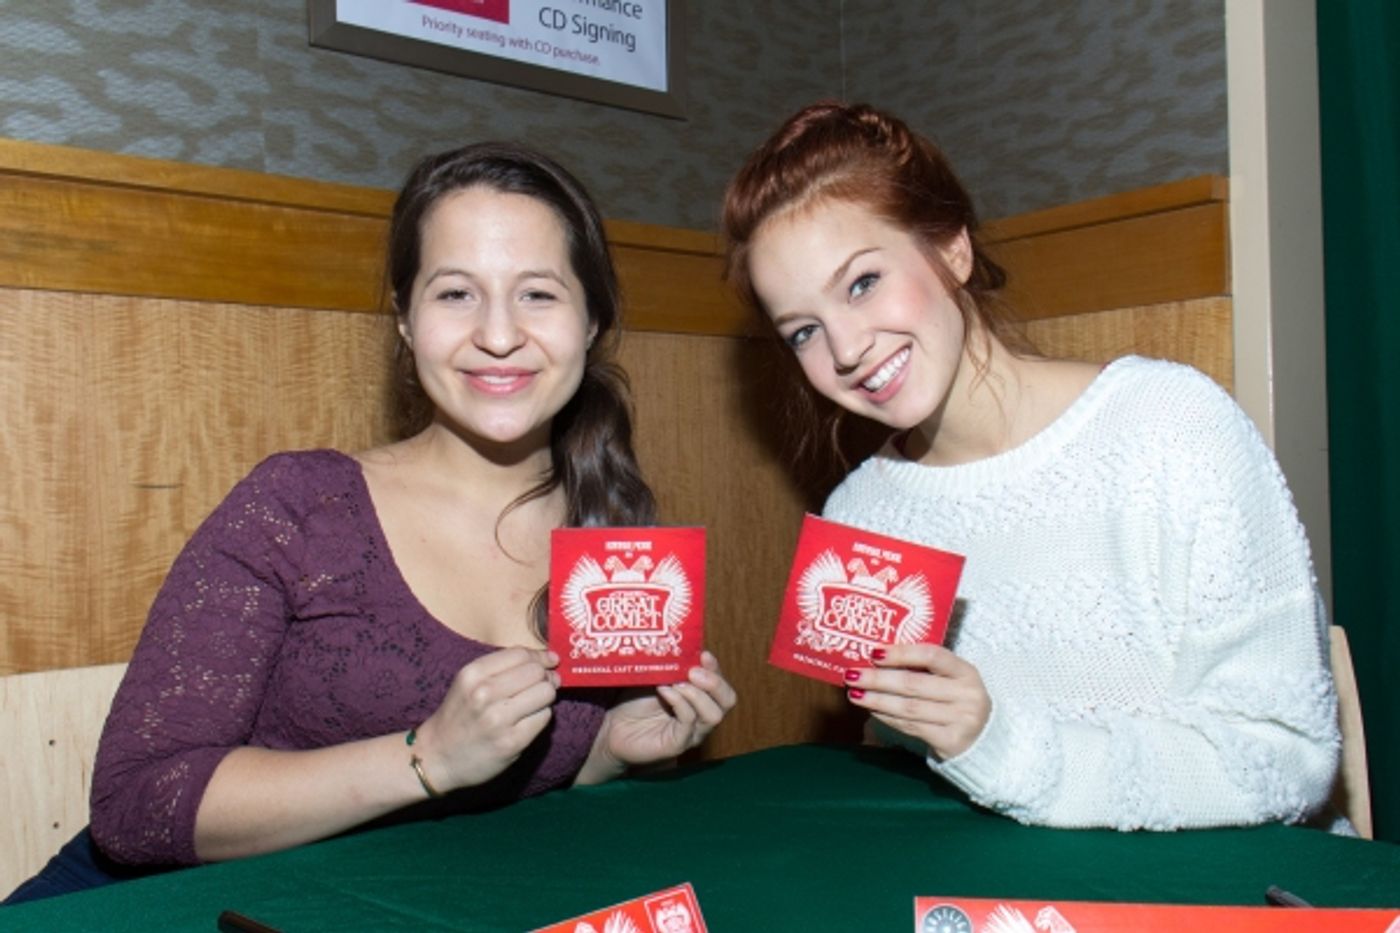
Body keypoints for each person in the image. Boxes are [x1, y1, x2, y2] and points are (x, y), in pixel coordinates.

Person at [5, 142, 735, 904]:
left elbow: (496, 802)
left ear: (591, 322)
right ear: (406, 319)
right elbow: (134, 806)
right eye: (456, 293)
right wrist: (428, 757)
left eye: (539, 295)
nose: (497, 334)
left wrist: (609, 753)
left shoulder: (614, 546)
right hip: (160, 908)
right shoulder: (299, 505)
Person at [721, 101, 1339, 831]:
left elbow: (1288, 759)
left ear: (952, 249)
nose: (847, 348)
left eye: (861, 283)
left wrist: (1002, 744)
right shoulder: (861, 518)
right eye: (803, 331)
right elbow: (901, 779)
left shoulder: (1170, 426)